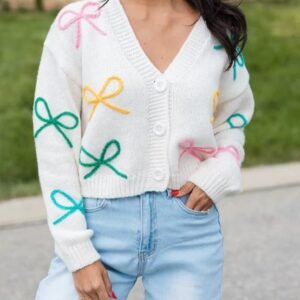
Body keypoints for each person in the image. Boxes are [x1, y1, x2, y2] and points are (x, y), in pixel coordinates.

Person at [33, 0, 255, 299]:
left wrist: (220, 171)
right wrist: (77, 252)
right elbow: (54, 140)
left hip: (188, 229)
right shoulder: (79, 24)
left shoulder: (217, 29)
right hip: (97, 224)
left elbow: (233, 119)